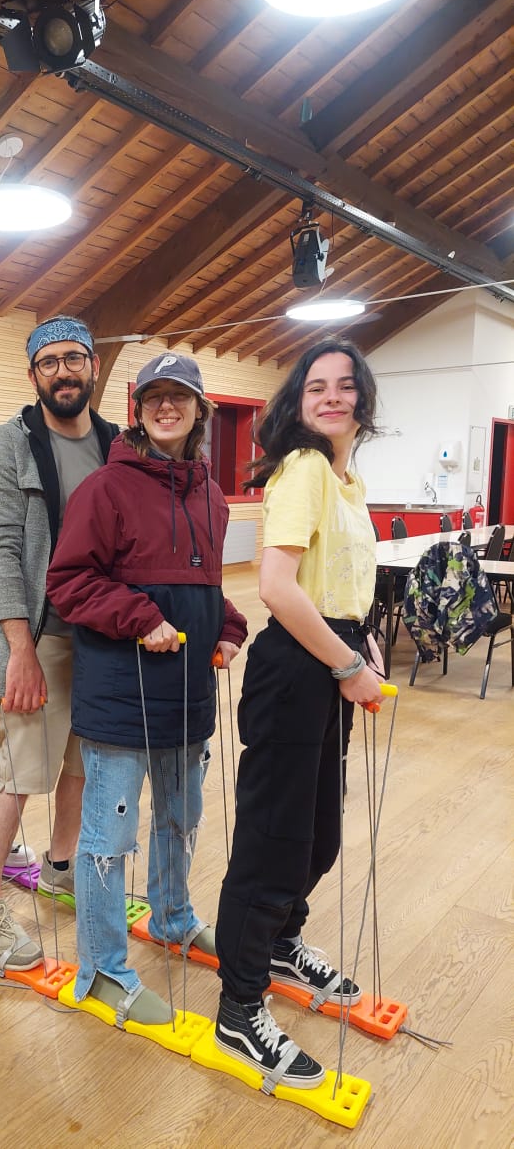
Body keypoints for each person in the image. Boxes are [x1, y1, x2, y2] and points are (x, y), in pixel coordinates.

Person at [46, 352, 248, 1024]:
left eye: (179, 396)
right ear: (137, 411)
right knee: (109, 838)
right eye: (153, 396)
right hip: (119, 697)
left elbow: (203, 584)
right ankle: (102, 967)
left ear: (199, 410)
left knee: (180, 818)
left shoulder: (211, 496)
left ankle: (172, 917)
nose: (166, 406)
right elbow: (69, 582)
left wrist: (227, 625)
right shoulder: (104, 488)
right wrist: (139, 618)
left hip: (187, 695)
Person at [213, 338, 384, 1088]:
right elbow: (278, 588)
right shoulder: (305, 467)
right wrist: (347, 666)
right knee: (273, 844)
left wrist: (362, 648)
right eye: (316, 386)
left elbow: (340, 584)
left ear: (363, 400)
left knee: (317, 838)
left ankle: (281, 943)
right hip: (294, 669)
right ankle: (238, 1005)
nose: (332, 396)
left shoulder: (348, 481)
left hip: (330, 655)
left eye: (345, 385)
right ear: (298, 402)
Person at [0, 316, 120, 970]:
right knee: (20, 771)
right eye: (48, 361)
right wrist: (20, 650)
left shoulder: (115, 443)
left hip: (101, 638)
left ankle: (59, 866)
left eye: (73, 358)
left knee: (82, 763)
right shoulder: (12, 441)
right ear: (33, 374)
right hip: (39, 636)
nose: (62, 371)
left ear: (93, 368)